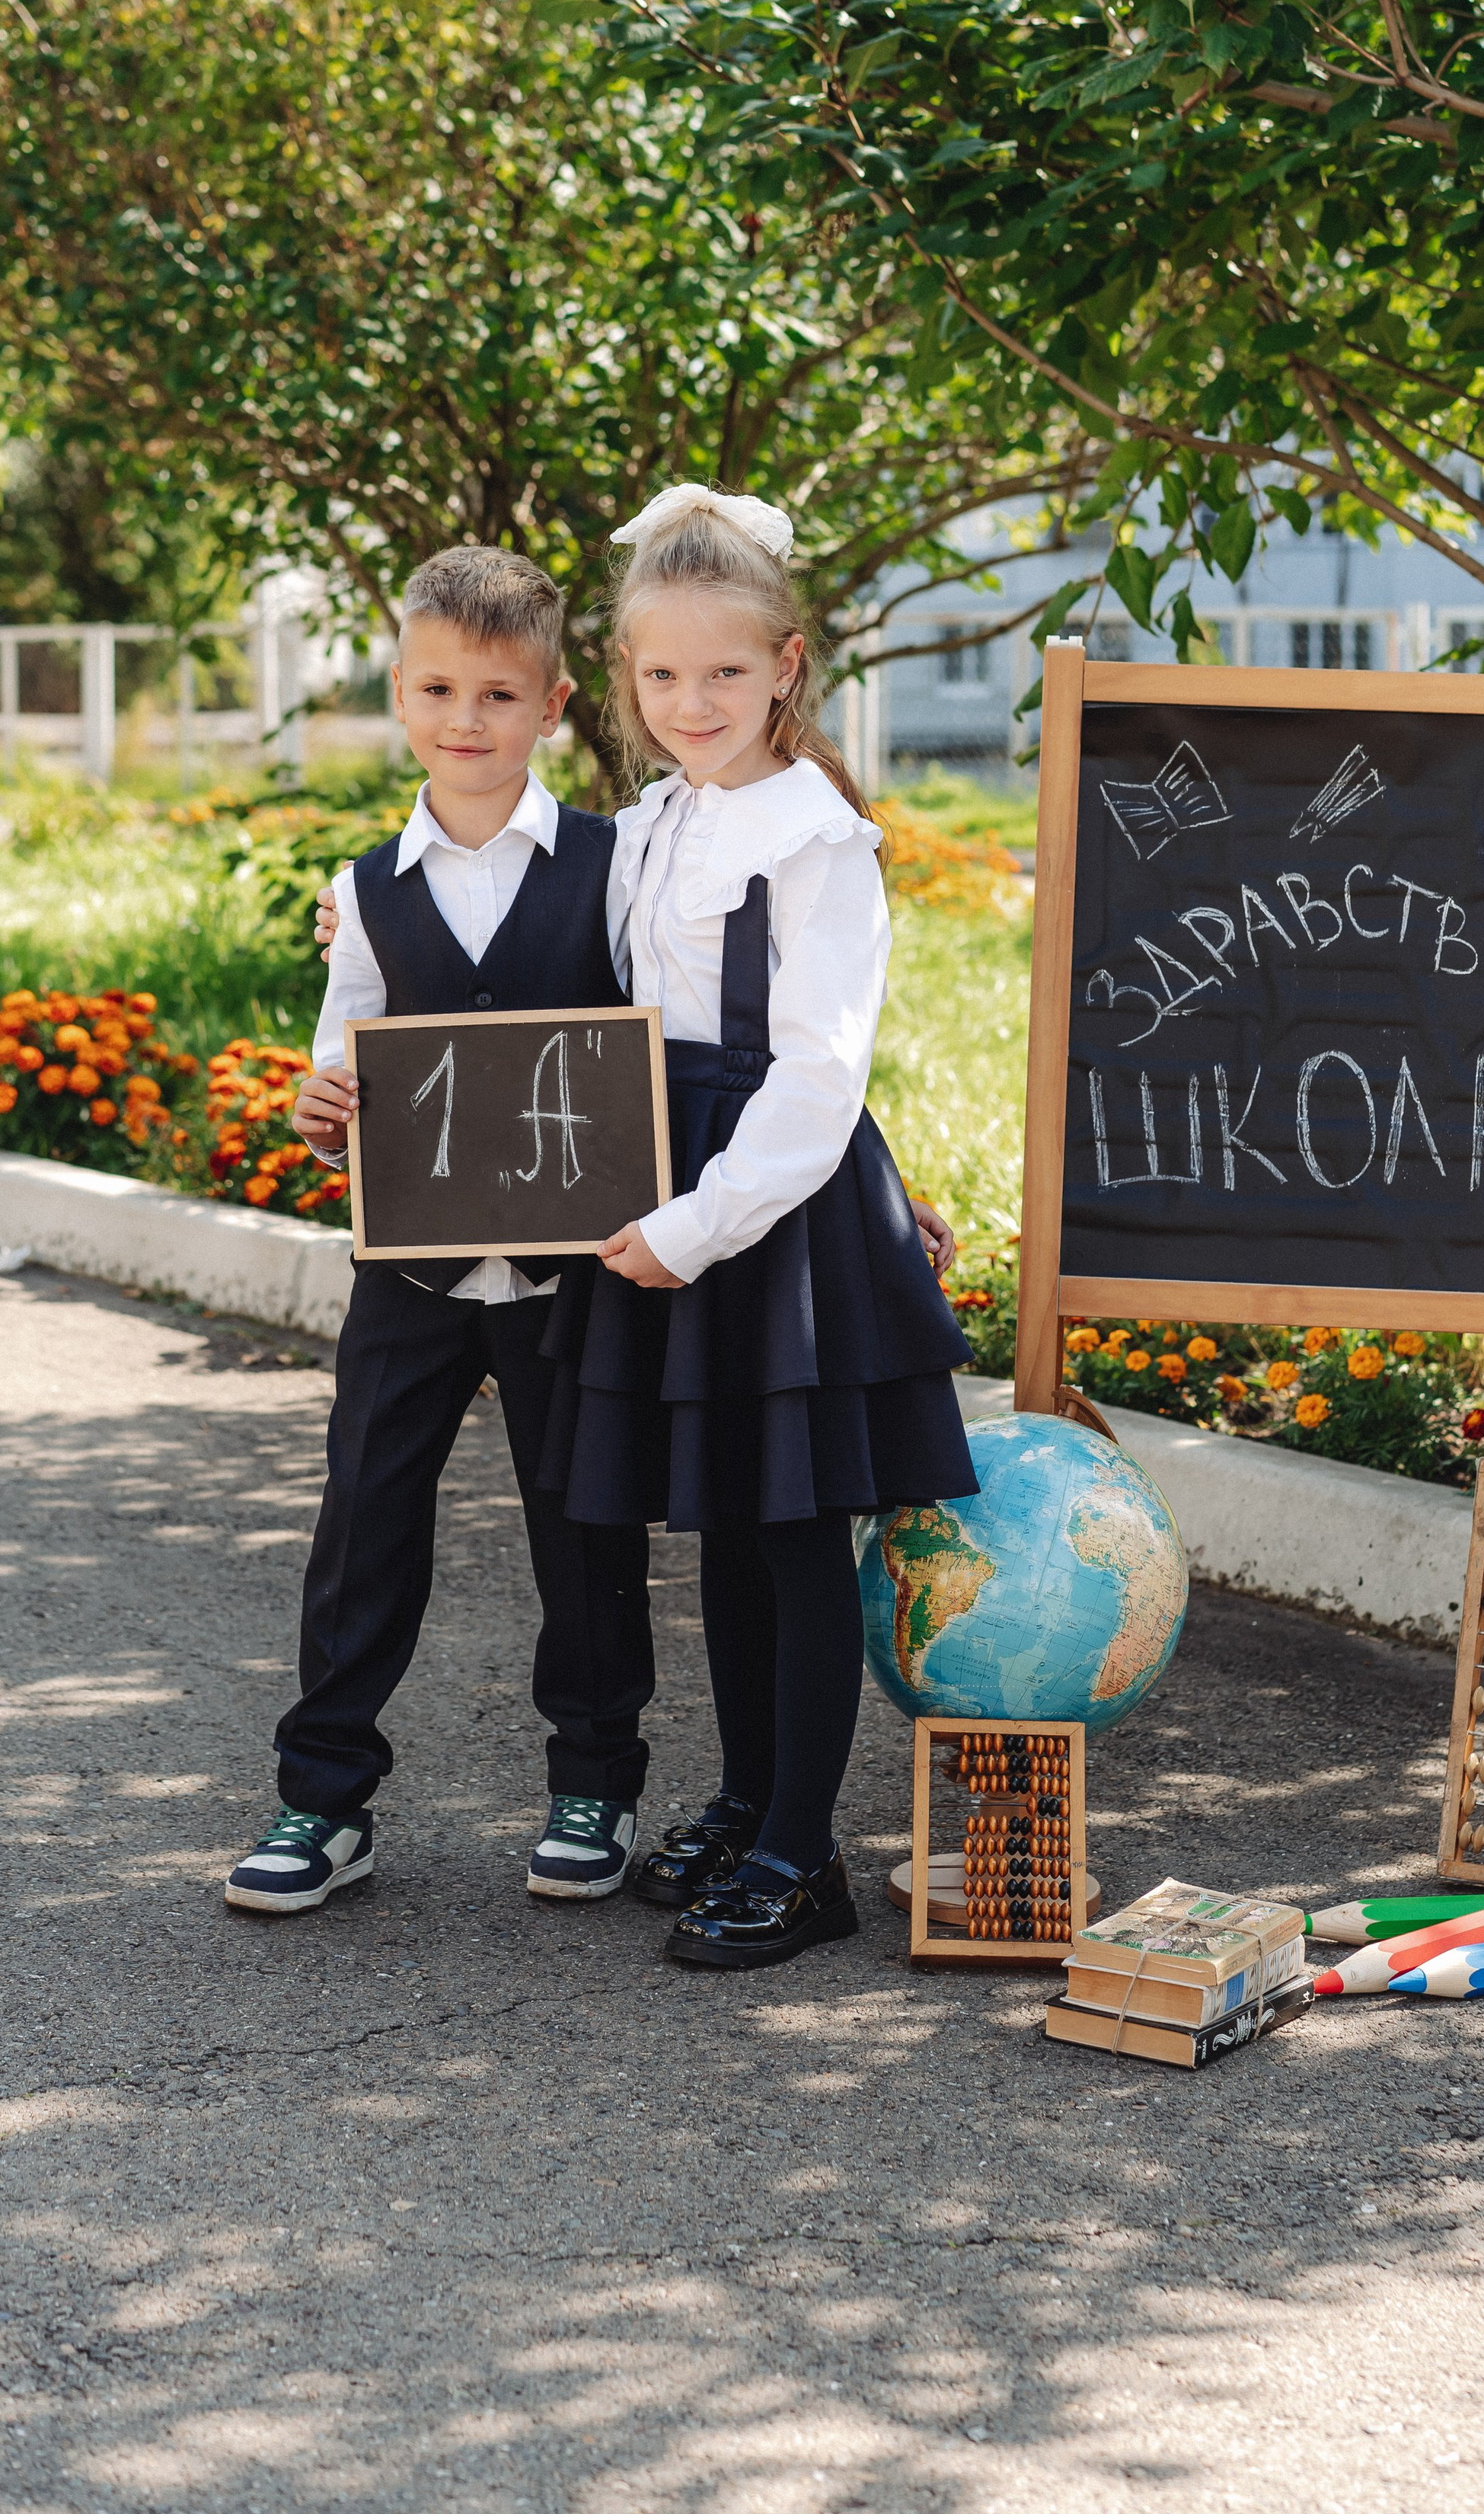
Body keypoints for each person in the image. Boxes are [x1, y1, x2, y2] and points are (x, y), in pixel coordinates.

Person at [531, 482, 978, 1973]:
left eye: (722, 672)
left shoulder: (815, 839)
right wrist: (364, 920)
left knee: (792, 1528)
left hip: (759, 1211)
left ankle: (804, 1854)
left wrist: (704, 1222)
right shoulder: (657, 821)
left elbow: (817, 1068)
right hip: (683, 1190)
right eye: (658, 675)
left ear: (786, 663)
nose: (688, 700)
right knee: (724, 1512)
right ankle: (743, 1798)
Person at [222, 546, 656, 1916]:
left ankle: (597, 1778)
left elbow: (663, 1037)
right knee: (365, 1514)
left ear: (552, 703)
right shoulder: (367, 884)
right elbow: (347, 1038)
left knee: (581, 1521)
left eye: (496, 693)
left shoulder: (613, 860)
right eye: (435, 688)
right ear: (398, 691)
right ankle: (322, 1799)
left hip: (568, 1267)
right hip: (409, 1266)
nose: (463, 718)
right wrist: (322, 1096)